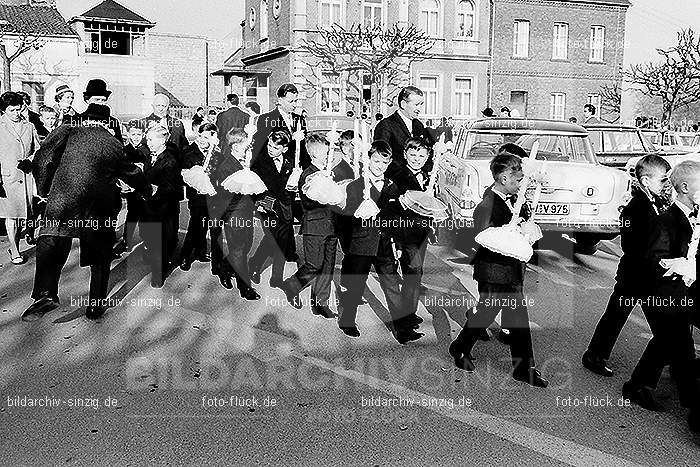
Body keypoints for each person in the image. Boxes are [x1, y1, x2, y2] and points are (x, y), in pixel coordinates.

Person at [22, 104, 150, 322]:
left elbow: (43, 158)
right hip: (99, 208)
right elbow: (131, 172)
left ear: (86, 119)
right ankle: (95, 305)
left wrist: (45, 190)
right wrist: (147, 189)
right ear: (105, 122)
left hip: (63, 200)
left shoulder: (68, 130)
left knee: (50, 242)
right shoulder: (113, 144)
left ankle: (46, 292)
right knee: (100, 257)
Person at [449, 144, 548, 388]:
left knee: (514, 316)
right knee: (490, 314)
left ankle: (522, 368)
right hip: (493, 270)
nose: (521, 183)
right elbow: (482, 235)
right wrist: (511, 231)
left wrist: (525, 228)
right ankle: (460, 348)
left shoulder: (512, 199)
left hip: (510, 269)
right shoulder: (488, 204)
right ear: (504, 178)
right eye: (518, 179)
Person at [623, 160, 700, 433]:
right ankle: (695, 409)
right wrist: (678, 265)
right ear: (685, 188)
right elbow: (653, 259)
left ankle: (636, 385)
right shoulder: (666, 221)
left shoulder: (691, 217)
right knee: (680, 345)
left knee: (667, 341)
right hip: (662, 293)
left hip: (681, 291)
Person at [582, 155, 671, 377]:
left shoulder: (653, 202)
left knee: (617, 316)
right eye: (663, 180)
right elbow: (633, 243)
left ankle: (595, 354)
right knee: (621, 317)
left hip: (641, 274)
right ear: (646, 181)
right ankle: (595, 356)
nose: (666, 185)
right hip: (638, 274)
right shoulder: (637, 207)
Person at [336, 140, 424, 345]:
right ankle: (347, 319)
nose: (380, 167)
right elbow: (344, 221)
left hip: (385, 244)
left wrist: (399, 246)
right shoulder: (357, 186)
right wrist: (349, 247)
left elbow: (395, 221)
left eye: (384, 163)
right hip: (361, 245)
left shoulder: (392, 187)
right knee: (355, 284)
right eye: (376, 162)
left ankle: (402, 330)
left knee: (392, 285)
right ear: (368, 160)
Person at [282, 133, 342, 318]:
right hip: (315, 226)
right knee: (314, 264)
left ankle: (320, 304)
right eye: (327, 152)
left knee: (327, 266)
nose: (329, 155)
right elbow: (308, 202)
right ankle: (292, 285)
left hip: (332, 226)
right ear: (315, 154)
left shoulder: (330, 172)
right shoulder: (307, 174)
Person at [387, 138, 434, 333]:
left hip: (421, 232)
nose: (417, 159)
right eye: (413, 155)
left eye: (421, 156)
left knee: (415, 275)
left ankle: (410, 311)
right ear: (405, 154)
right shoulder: (397, 176)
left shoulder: (428, 175)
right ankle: (403, 320)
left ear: (427, 157)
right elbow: (390, 207)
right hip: (405, 233)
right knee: (412, 273)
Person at [207, 128, 260, 300]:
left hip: (247, 211)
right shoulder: (227, 166)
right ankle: (245, 288)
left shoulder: (247, 161)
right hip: (233, 212)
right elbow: (226, 193)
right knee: (238, 250)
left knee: (246, 245)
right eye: (245, 142)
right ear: (236, 146)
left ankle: (224, 266)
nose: (249, 145)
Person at [248, 130, 297, 288]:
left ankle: (276, 277)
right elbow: (253, 186)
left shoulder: (290, 162)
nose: (270, 149)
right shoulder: (259, 162)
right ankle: (255, 265)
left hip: (285, 208)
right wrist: (259, 204)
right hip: (267, 206)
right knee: (272, 238)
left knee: (281, 242)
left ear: (284, 148)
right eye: (269, 145)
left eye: (275, 147)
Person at [0, 91, 40, 265]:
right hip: (6, 178)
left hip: (26, 176)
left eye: (19, 109)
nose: (17, 114)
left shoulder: (29, 126)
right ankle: (15, 250)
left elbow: (38, 149)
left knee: (26, 214)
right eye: (12, 110)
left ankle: (17, 244)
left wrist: (30, 160)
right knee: (11, 215)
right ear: (3, 111)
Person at [140, 125, 182, 288]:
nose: (148, 142)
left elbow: (171, 187)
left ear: (162, 140)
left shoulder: (170, 160)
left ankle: (159, 275)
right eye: (148, 139)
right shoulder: (151, 156)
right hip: (150, 207)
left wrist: (153, 191)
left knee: (161, 242)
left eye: (151, 139)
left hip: (163, 209)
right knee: (152, 239)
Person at [179, 123, 216, 270]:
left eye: (206, 137)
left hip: (211, 195)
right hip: (196, 197)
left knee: (205, 223)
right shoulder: (189, 151)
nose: (201, 139)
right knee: (196, 224)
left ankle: (201, 252)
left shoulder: (215, 152)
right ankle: (185, 255)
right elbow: (184, 175)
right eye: (200, 135)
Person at [374, 86, 433, 167]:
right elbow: (382, 158)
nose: (419, 109)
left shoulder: (418, 125)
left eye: (421, 104)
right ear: (403, 104)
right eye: (416, 104)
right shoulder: (385, 125)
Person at [252, 83, 309, 169]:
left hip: (297, 167)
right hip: (275, 168)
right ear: (280, 100)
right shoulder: (266, 119)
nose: (294, 105)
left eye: (296, 101)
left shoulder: (299, 119)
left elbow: (303, 148)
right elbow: (262, 148)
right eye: (290, 101)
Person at [118, 121, 148, 253]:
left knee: (145, 217)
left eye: (139, 134)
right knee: (131, 215)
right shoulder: (125, 150)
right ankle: (126, 241)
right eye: (133, 134)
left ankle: (147, 242)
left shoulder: (147, 150)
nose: (136, 137)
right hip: (131, 191)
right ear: (128, 133)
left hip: (145, 189)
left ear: (144, 134)